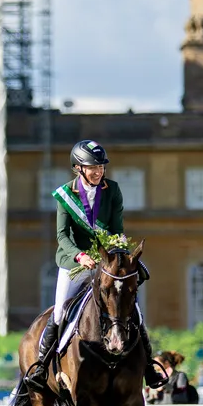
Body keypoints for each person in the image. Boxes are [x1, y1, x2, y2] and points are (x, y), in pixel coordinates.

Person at [26, 140, 166, 391]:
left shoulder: (112, 190)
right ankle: (41, 366)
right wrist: (79, 256)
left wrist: (118, 250)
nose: (98, 171)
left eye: (101, 166)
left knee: (135, 311)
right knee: (59, 313)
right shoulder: (65, 195)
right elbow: (62, 236)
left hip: (105, 263)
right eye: (92, 167)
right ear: (78, 168)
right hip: (75, 263)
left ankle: (148, 368)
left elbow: (116, 228)